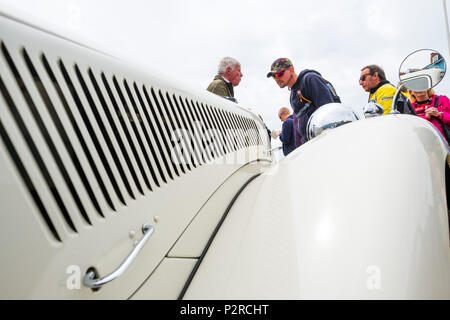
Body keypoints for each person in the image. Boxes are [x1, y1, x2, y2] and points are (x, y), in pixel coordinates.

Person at [267, 58, 336, 147]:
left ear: (291, 69)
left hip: (325, 142)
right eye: (274, 76)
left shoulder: (310, 79)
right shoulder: (293, 95)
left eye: (279, 73)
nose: (277, 78)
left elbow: (329, 111)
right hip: (309, 145)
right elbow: (298, 125)